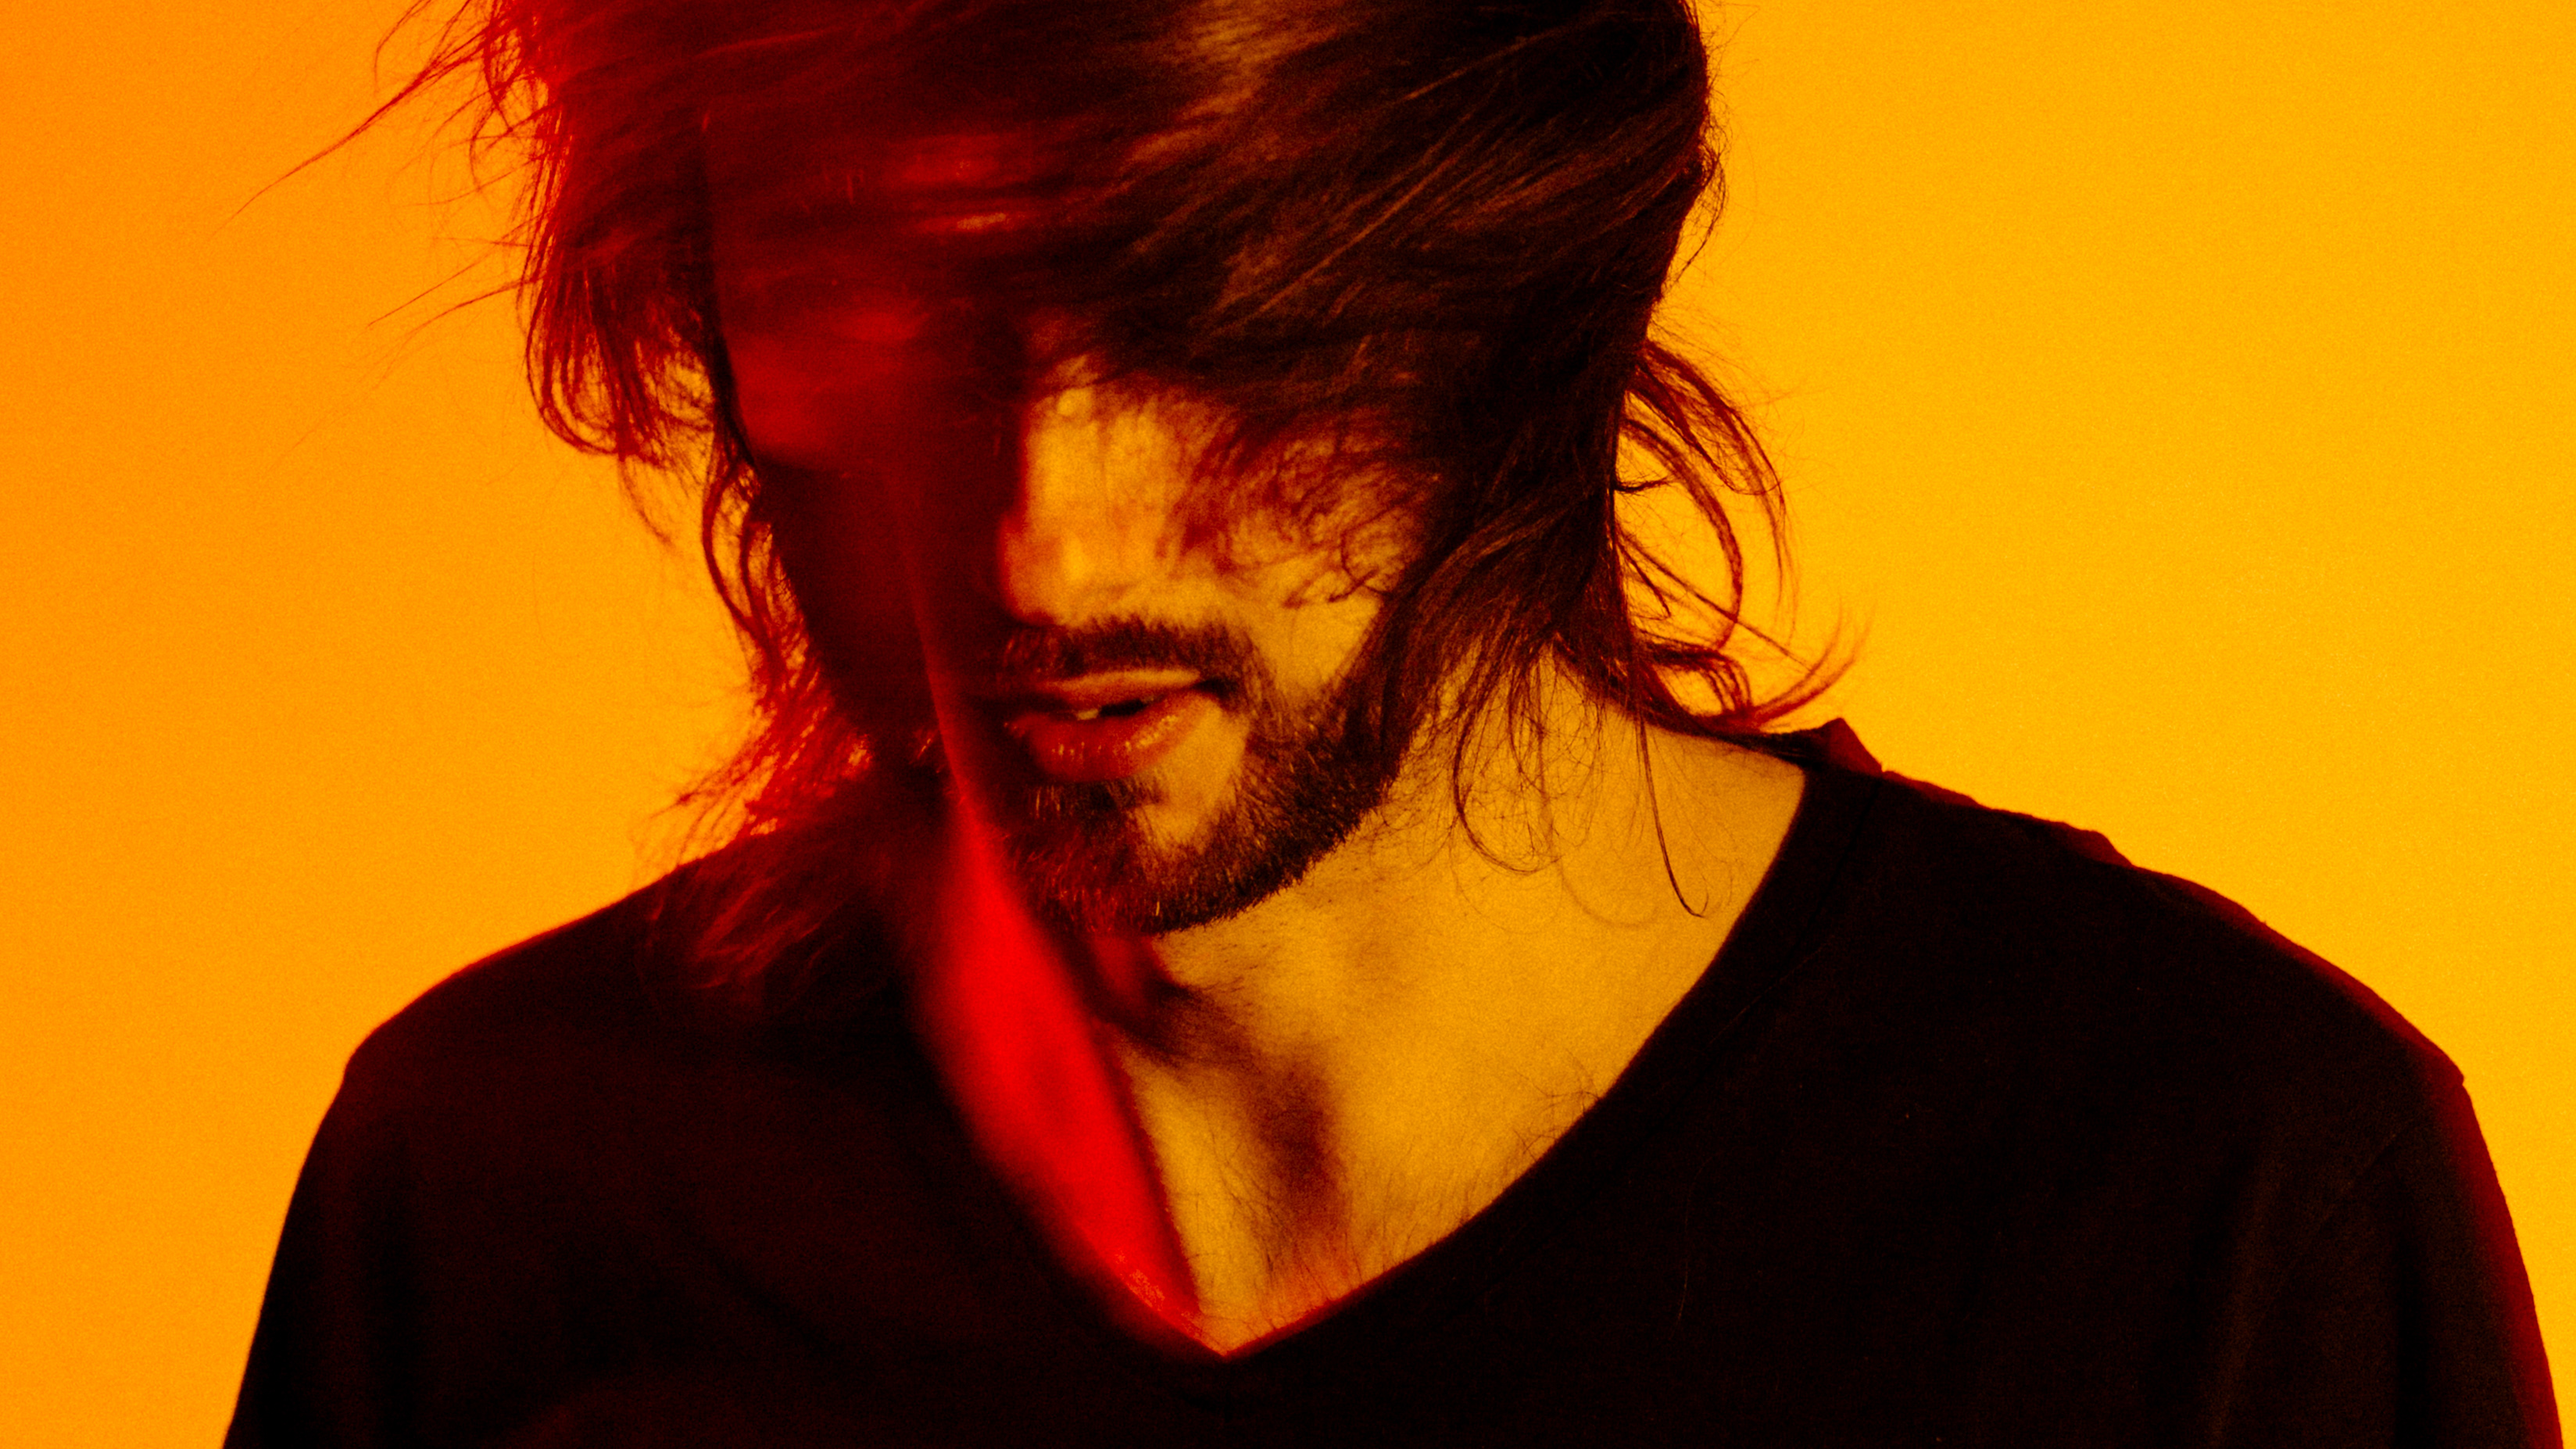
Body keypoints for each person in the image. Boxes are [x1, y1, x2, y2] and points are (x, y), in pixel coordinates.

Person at [230, 0, 2557, 1443]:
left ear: (1530, 278)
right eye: (901, 304)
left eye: (1227, 312)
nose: (1052, 537)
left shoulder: (2209, 1200)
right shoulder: (505, 1186)